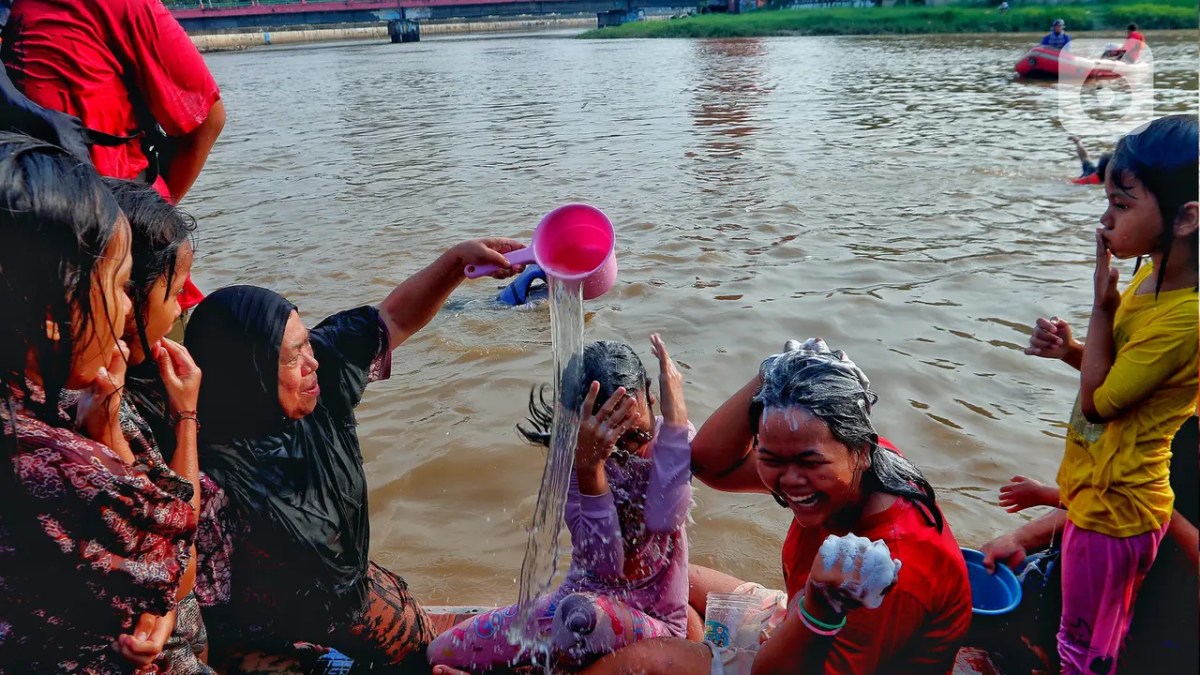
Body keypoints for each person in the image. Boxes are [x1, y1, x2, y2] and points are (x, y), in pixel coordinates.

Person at [183, 239, 525, 671]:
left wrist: (456, 263)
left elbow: (393, 318)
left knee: (430, 657)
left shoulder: (317, 385)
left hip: (356, 600)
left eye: (308, 344)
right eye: (294, 357)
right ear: (245, 372)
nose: (313, 363)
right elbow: (198, 613)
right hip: (270, 644)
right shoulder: (206, 475)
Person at [560, 340, 972, 674]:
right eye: (771, 458)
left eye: (808, 463)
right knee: (669, 578)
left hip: (814, 646)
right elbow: (711, 464)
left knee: (647, 661)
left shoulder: (888, 569)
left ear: (858, 449)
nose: (789, 482)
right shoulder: (860, 462)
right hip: (801, 614)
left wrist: (821, 606)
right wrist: (773, 369)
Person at [0, 132, 196, 672]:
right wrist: (146, 429)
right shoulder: (53, 458)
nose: (123, 304)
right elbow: (177, 558)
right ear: (54, 307)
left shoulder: (44, 399)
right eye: (117, 284)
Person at [1023, 114, 1198, 674]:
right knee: (1098, 635)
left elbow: (1100, 402)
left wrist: (1101, 305)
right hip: (1102, 499)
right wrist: (1074, 349)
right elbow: (1120, 381)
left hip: (1115, 515)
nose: (1104, 220)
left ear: (1185, 218)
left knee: (1080, 648)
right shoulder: (1154, 276)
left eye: (1121, 206)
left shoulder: (1187, 317)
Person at [429, 336, 695, 672]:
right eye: (613, 441)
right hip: (576, 605)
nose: (627, 450)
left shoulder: (670, 441)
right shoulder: (576, 458)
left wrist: (675, 420)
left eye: (636, 436)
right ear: (579, 424)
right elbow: (603, 565)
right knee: (442, 653)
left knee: (579, 618)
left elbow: (665, 517)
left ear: (653, 403)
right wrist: (590, 466)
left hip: (653, 624)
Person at [2, 0, 227, 312]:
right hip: (92, 242)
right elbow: (207, 120)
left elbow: (205, 121)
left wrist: (147, 214)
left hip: (71, 240)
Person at [91, 178, 212, 672]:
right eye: (176, 291)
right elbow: (179, 556)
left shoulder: (121, 384)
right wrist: (186, 419)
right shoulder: (98, 402)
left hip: (178, 634)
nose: (182, 306)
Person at [982, 415, 1199, 672]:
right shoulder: (1171, 421)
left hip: (1165, 621)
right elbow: (1101, 499)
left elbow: (1113, 500)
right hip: (1097, 575)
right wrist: (1020, 538)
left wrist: (1154, 504)